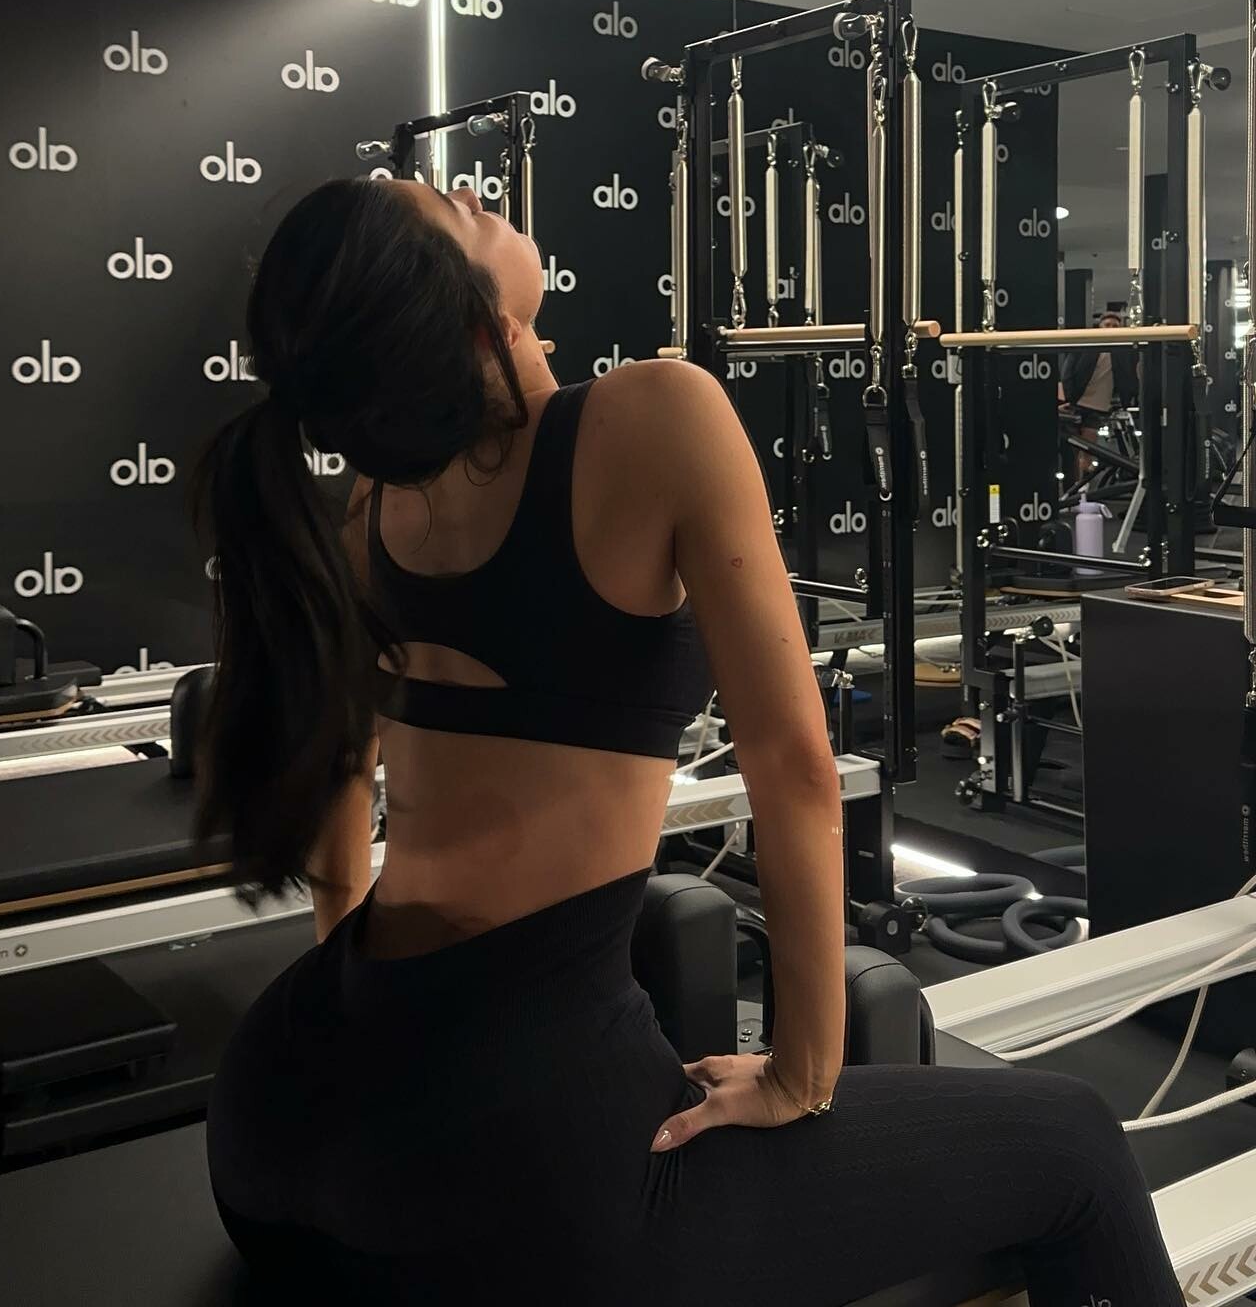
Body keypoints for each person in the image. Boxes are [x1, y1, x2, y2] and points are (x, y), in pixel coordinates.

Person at [198, 176, 1182, 1307]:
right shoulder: (659, 411)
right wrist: (802, 1073)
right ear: (473, 318)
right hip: (514, 1171)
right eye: (458, 211)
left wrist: (379, 1039)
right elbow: (796, 770)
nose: (476, 190)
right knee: (1080, 1143)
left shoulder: (379, 498)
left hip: (282, 1107)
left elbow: (340, 786)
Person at [1059, 311, 1139, 482]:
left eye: (1115, 326)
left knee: (1088, 450)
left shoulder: (1122, 352)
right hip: (1077, 402)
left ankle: (1081, 485)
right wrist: (1067, 398)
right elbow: (1068, 371)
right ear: (1100, 326)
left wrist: (1127, 400)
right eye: (1107, 325)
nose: (1111, 328)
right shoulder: (1087, 346)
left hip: (1098, 406)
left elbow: (1129, 377)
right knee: (1073, 451)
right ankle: (1074, 484)